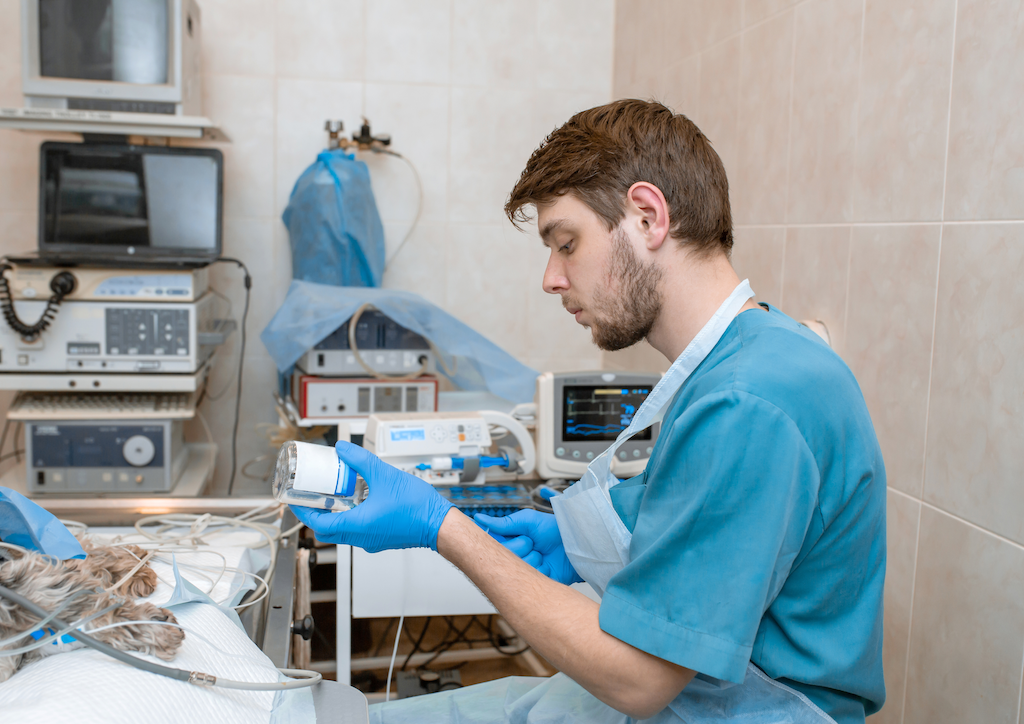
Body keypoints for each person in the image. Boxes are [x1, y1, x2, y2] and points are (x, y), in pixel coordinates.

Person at [292, 99, 886, 724]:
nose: (551, 278)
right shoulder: (752, 355)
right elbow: (706, 534)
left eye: (566, 244)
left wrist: (443, 529)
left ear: (648, 217)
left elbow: (637, 680)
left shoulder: (749, 403)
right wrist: (573, 546)